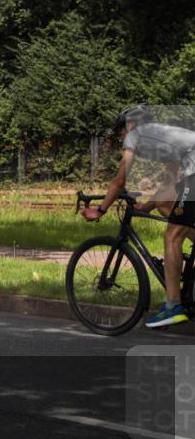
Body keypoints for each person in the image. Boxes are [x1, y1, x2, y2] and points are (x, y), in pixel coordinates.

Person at [82, 105, 195, 327]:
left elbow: (120, 180)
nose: (122, 135)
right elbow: (169, 183)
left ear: (130, 124)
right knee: (166, 206)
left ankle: (173, 306)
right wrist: (150, 206)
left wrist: (101, 210)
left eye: (122, 129)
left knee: (172, 236)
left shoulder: (135, 136)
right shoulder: (162, 136)